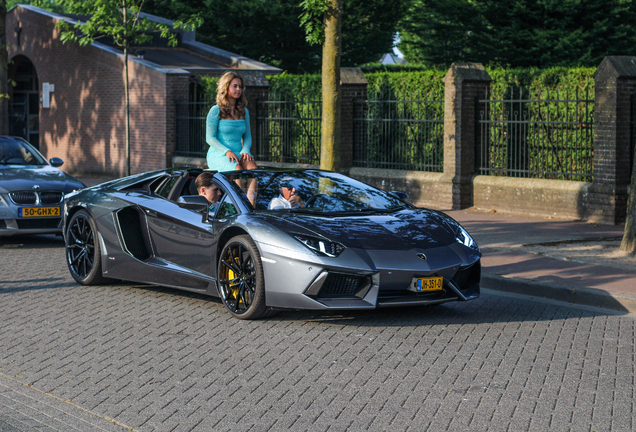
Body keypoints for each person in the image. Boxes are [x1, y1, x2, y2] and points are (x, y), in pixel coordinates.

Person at [205, 71, 257, 172]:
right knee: (237, 170)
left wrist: (246, 150)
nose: (238, 89)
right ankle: (237, 189)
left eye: (240, 87)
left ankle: (249, 189)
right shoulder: (216, 110)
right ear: (226, 87)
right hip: (219, 154)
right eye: (235, 86)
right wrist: (227, 152)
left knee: (253, 170)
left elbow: (247, 136)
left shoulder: (244, 111)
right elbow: (210, 138)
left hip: (238, 152)